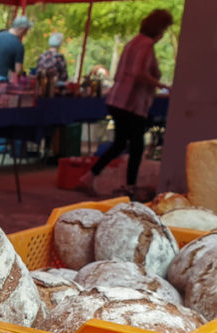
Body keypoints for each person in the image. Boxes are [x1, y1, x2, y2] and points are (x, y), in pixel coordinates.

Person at [78, 9, 174, 198]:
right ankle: (129, 186)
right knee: (136, 146)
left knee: (120, 143)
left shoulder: (134, 42)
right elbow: (139, 73)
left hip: (118, 100)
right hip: (131, 103)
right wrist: (161, 85)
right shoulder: (146, 45)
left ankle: (90, 177)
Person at [0, 16, 32, 83]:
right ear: (21, 29)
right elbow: (18, 70)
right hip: (4, 82)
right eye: (26, 31)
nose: (25, 34)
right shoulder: (18, 45)